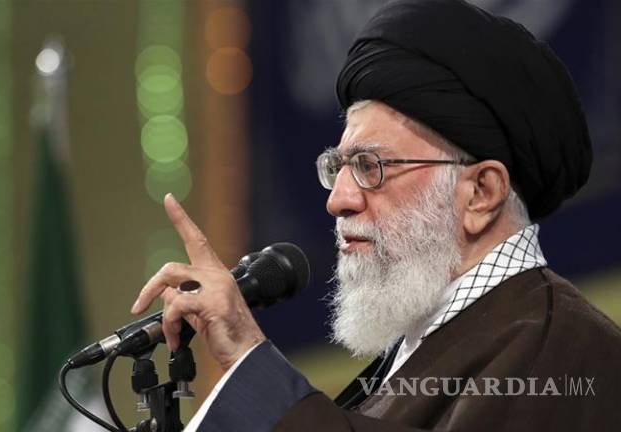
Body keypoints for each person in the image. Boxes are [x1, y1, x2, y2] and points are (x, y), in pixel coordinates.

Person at [130, 0, 621, 430]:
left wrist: (245, 353)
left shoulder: (565, 349)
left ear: (481, 193)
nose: (338, 199)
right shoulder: (432, 341)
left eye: (371, 166)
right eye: (338, 167)